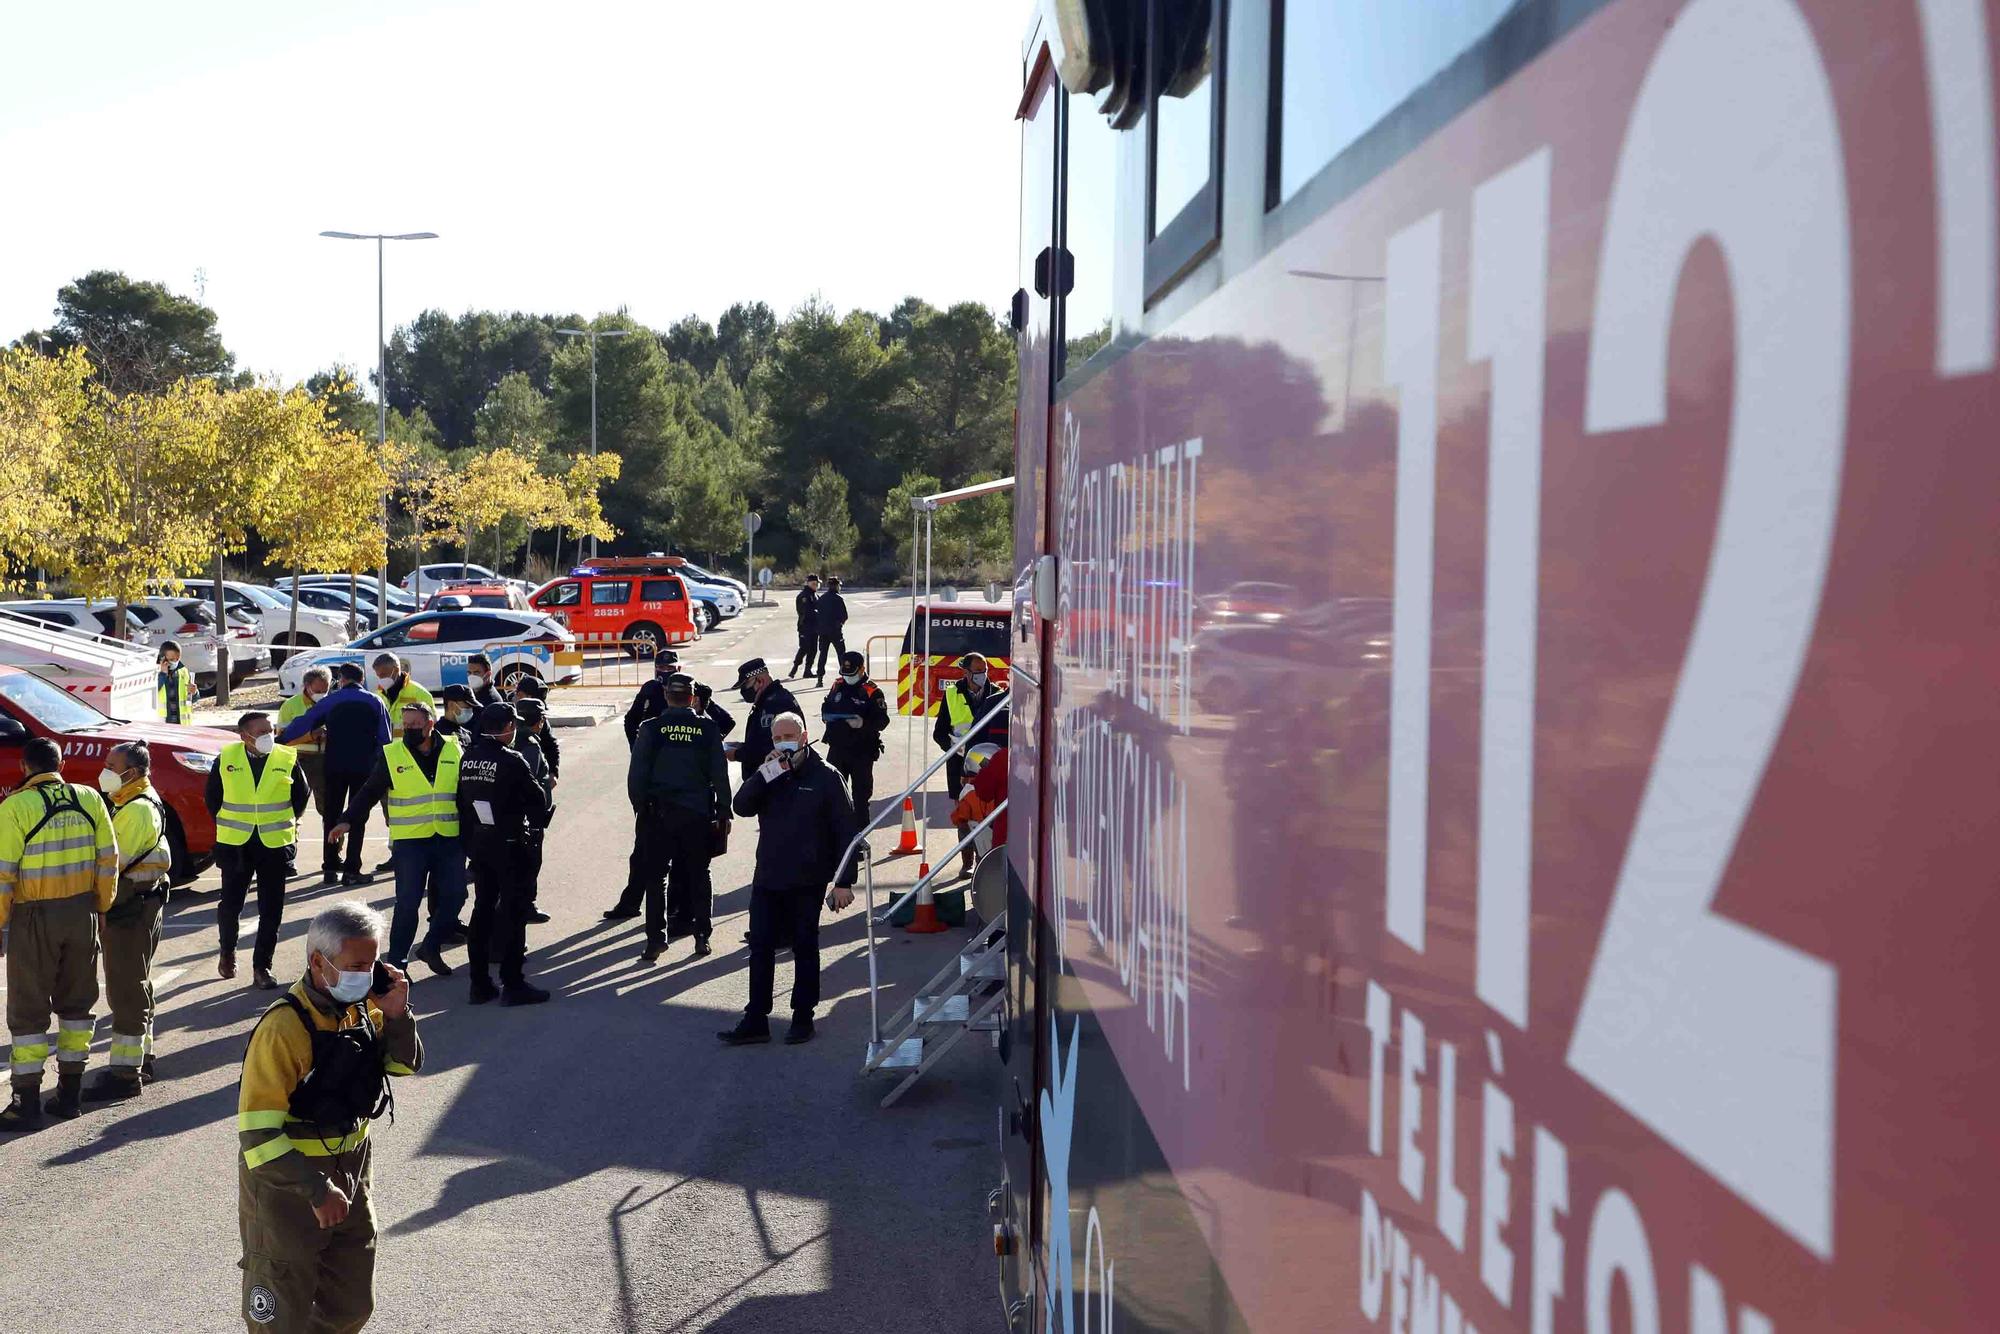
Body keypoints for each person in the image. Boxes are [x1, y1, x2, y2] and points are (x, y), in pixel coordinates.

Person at [236, 901, 421, 1333]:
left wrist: (398, 1015)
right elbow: (258, 1136)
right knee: (280, 1316)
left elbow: (402, 1066)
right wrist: (317, 1191)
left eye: (373, 964)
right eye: (356, 965)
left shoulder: (363, 1008)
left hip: (352, 1175)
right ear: (319, 963)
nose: (368, 975)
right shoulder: (284, 1028)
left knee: (352, 1305)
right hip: (289, 1189)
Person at [0, 738, 119, 1130]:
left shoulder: (15, 807)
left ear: (23, 768)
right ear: (62, 763)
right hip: (82, 911)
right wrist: (101, 905)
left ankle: (26, 1101)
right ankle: (70, 1094)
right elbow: (108, 859)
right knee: (77, 1004)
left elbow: (3, 874)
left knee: (28, 1009)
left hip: (33, 917)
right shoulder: (90, 798)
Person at [718, 713, 857, 1047]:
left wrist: (843, 881)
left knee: (804, 947)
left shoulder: (826, 777)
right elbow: (741, 806)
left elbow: (846, 831)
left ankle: (802, 1016)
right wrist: (764, 775)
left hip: (808, 879)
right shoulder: (770, 773)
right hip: (768, 876)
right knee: (761, 947)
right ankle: (756, 1019)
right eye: (778, 737)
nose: (783, 743)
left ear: (804, 736)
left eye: (789, 736)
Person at [326, 702, 465, 979]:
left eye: (415, 725)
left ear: (430, 724)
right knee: (407, 903)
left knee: (455, 896)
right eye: (406, 725)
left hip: (448, 837)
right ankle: (398, 965)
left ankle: (431, 945)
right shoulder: (392, 755)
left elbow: (467, 789)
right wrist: (346, 819)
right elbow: (369, 791)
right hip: (410, 842)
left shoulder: (454, 748)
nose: (409, 730)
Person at [83, 742, 174, 1103]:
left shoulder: (135, 810)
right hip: (142, 905)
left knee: (126, 991)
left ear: (132, 773)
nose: (104, 770)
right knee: (138, 986)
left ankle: (125, 1073)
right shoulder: (136, 801)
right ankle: (142, 1059)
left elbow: (110, 867)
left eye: (111, 765)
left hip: (130, 910)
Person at [627, 673, 732, 960]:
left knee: (655, 877)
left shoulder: (651, 728)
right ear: (692, 697)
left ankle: (655, 939)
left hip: (658, 814)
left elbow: (637, 774)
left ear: (666, 696)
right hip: (697, 813)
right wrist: (724, 808)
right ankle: (701, 937)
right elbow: (719, 773)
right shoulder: (708, 729)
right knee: (700, 875)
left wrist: (640, 808)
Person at [456, 703, 551, 1006]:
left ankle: (479, 984)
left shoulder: (468, 757)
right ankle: (513, 983)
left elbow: (462, 802)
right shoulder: (512, 760)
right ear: (508, 727)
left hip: (481, 844)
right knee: (513, 913)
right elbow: (537, 801)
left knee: (482, 911)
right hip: (510, 846)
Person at [211, 712, 311, 990]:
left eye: (271, 729)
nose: (269, 735)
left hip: (273, 843)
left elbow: (300, 798)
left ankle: (262, 967)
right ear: (245, 736)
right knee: (231, 905)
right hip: (235, 843)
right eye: (262, 731)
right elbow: (213, 799)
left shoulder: (285, 757)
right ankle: (227, 951)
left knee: (271, 909)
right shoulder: (226, 758)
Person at [279, 663, 391, 887]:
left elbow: (305, 722)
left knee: (331, 815)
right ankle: (352, 869)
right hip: (364, 767)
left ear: (342, 680)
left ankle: (329, 868)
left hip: (334, 766)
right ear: (361, 679)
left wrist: (279, 741)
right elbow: (385, 739)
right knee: (357, 816)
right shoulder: (375, 701)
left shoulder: (332, 700)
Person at [934, 653, 1010, 876]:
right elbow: (939, 732)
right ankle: (967, 861)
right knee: (965, 815)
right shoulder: (952, 694)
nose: (982, 675)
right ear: (966, 673)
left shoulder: (996, 695)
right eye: (977, 671)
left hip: (987, 764)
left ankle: (982, 861)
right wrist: (952, 746)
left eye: (984, 670)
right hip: (961, 765)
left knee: (987, 817)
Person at [821, 649, 890, 882]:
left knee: (860, 799)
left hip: (861, 753)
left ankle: (860, 843)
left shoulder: (872, 691)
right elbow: (827, 707)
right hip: (837, 750)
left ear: (862, 670)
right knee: (833, 796)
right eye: (845, 671)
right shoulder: (837, 685)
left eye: (852, 672)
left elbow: (883, 720)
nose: (848, 675)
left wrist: (863, 723)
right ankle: (833, 841)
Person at [277, 668, 333, 853]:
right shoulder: (291, 706)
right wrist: (310, 735)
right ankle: (288, 855)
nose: (322, 694)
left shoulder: (333, 703)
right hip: (297, 761)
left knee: (330, 810)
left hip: (325, 760)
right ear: (307, 687)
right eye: (318, 690)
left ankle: (333, 854)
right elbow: (282, 739)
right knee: (292, 808)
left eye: (325, 690)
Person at [513, 697, 555, 927]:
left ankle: (527, 904)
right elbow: (528, 782)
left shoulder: (515, 737)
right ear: (539, 721)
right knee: (529, 865)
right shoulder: (529, 744)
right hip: (529, 819)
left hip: (524, 817)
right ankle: (524, 907)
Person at [732, 657, 801, 782]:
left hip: (774, 779)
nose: (744, 691)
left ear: (760, 681)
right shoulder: (770, 699)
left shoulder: (774, 704)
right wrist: (742, 747)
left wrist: (737, 754)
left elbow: (767, 748)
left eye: (746, 685)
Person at [621, 650, 685, 746]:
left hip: (683, 746)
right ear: (656, 670)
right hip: (655, 747)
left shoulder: (687, 688)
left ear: (678, 669)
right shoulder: (650, 689)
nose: (665, 671)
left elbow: (711, 722)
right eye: (661, 668)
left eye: (670, 668)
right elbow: (631, 720)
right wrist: (636, 749)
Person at [811, 575, 850, 684]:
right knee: (841, 655)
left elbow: (816, 615)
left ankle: (819, 679)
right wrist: (839, 624)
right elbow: (844, 616)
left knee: (823, 655)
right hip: (835, 632)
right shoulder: (838, 599)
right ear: (836, 586)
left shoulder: (821, 598)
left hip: (823, 632)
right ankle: (845, 677)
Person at [372, 653, 434, 717]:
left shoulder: (420, 694)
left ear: (396, 670)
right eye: (378, 676)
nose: (381, 679)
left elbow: (431, 723)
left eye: (383, 675)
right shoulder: (378, 695)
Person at [157, 641, 198, 725]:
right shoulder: (154, 672)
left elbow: (190, 700)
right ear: (162, 658)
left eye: (177, 659)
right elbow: (155, 690)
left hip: (181, 724)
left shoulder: (183, 671)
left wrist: (194, 693)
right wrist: (163, 674)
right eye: (171, 659)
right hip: (163, 724)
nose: (175, 662)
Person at [789, 574, 820, 679]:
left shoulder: (815, 595)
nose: (815, 585)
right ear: (808, 583)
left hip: (814, 628)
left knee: (813, 650)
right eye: (813, 583)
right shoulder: (804, 596)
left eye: (816, 584)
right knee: (804, 648)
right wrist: (817, 613)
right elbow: (805, 612)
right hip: (805, 626)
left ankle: (808, 670)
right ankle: (795, 667)